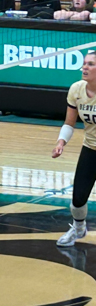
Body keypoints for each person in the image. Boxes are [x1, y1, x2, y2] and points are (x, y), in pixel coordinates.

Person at [52, 50, 96, 246]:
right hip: (91, 149)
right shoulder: (76, 90)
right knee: (77, 200)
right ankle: (78, 229)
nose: (85, 67)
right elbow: (69, 123)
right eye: (85, 63)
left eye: (91, 64)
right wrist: (61, 142)